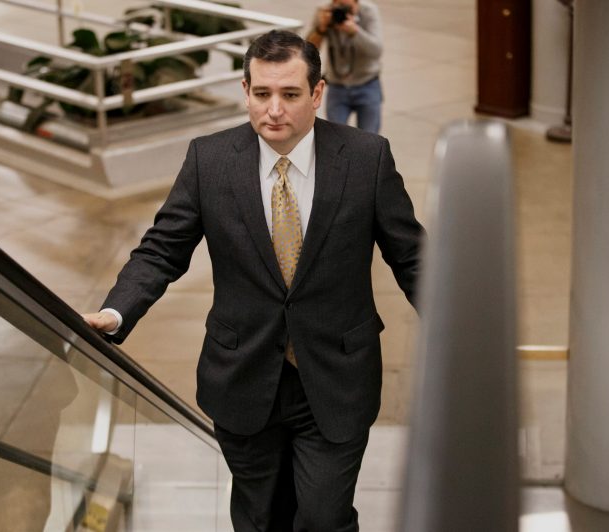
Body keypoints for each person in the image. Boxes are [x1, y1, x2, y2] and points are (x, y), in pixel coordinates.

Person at [82, 30, 423, 531]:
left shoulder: (367, 158)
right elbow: (162, 249)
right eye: (262, 93)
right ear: (245, 91)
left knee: (324, 518)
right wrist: (116, 311)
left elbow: (412, 257)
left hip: (336, 377)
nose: (274, 110)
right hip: (243, 378)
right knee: (259, 518)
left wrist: (460, 329)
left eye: (290, 94)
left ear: (317, 93)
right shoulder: (209, 160)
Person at [307, 0, 383, 134]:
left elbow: (376, 51)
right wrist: (320, 29)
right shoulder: (325, 11)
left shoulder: (368, 11)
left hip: (367, 84)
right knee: (336, 138)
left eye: (347, 7)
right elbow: (308, 51)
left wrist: (355, 32)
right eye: (338, 4)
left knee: (370, 139)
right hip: (337, 87)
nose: (342, 11)